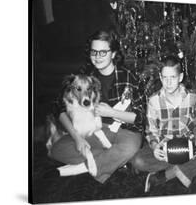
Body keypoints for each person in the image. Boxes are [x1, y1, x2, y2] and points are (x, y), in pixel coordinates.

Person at [48, 30, 145, 184]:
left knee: (130, 146)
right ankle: (114, 160)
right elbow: (58, 106)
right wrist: (77, 138)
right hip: (94, 130)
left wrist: (111, 112)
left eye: (103, 52)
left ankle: (82, 167)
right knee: (57, 149)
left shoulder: (128, 77)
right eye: (94, 52)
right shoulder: (83, 76)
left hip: (125, 130)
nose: (97, 56)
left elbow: (140, 118)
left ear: (113, 54)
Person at [130, 55, 196, 192]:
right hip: (165, 147)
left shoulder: (191, 97)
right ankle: (193, 167)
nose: (168, 83)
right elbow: (151, 130)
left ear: (180, 77)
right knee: (137, 161)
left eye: (172, 77)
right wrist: (155, 147)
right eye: (164, 78)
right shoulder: (154, 100)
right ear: (160, 78)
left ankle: (169, 173)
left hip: (188, 146)